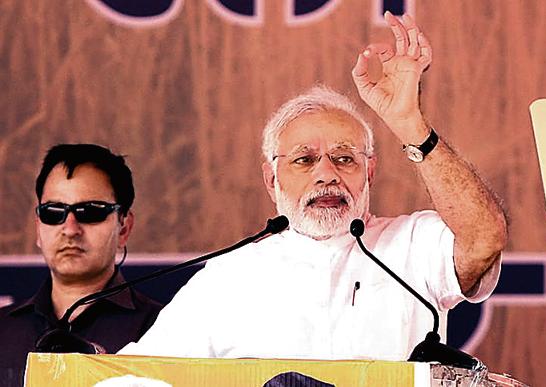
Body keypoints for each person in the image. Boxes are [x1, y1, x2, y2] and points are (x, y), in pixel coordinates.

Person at [119, 12, 507, 360]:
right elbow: (141, 375)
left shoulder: (411, 245)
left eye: (344, 158)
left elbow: (483, 238)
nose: (326, 174)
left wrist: (410, 124)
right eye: (304, 160)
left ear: (369, 172)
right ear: (272, 180)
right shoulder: (228, 277)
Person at [0, 144, 163, 385]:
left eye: (90, 212)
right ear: (38, 228)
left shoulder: (161, 330)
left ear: (124, 227)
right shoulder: (3, 330)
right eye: (53, 212)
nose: (70, 229)